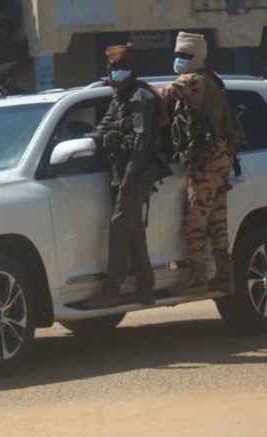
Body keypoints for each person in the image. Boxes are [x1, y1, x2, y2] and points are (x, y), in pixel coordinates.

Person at [82, 43, 171, 309]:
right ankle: (145, 288)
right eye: (114, 68)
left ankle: (112, 289)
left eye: (123, 67)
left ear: (133, 69)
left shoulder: (140, 97)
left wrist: (130, 173)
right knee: (133, 231)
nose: (118, 72)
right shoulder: (118, 97)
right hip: (120, 170)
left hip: (137, 172)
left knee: (119, 227)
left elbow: (142, 139)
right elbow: (101, 131)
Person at [158, 31, 243, 295]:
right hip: (223, 155)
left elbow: (160, 97)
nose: (179, 59)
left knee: (194, 221)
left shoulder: (192, 80)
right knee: (217, 218)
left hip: (207, 158)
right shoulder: (213, 78)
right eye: (178, 55)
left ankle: (197, 278)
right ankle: (225, 276)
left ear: (196, 57)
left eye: (184, 55)